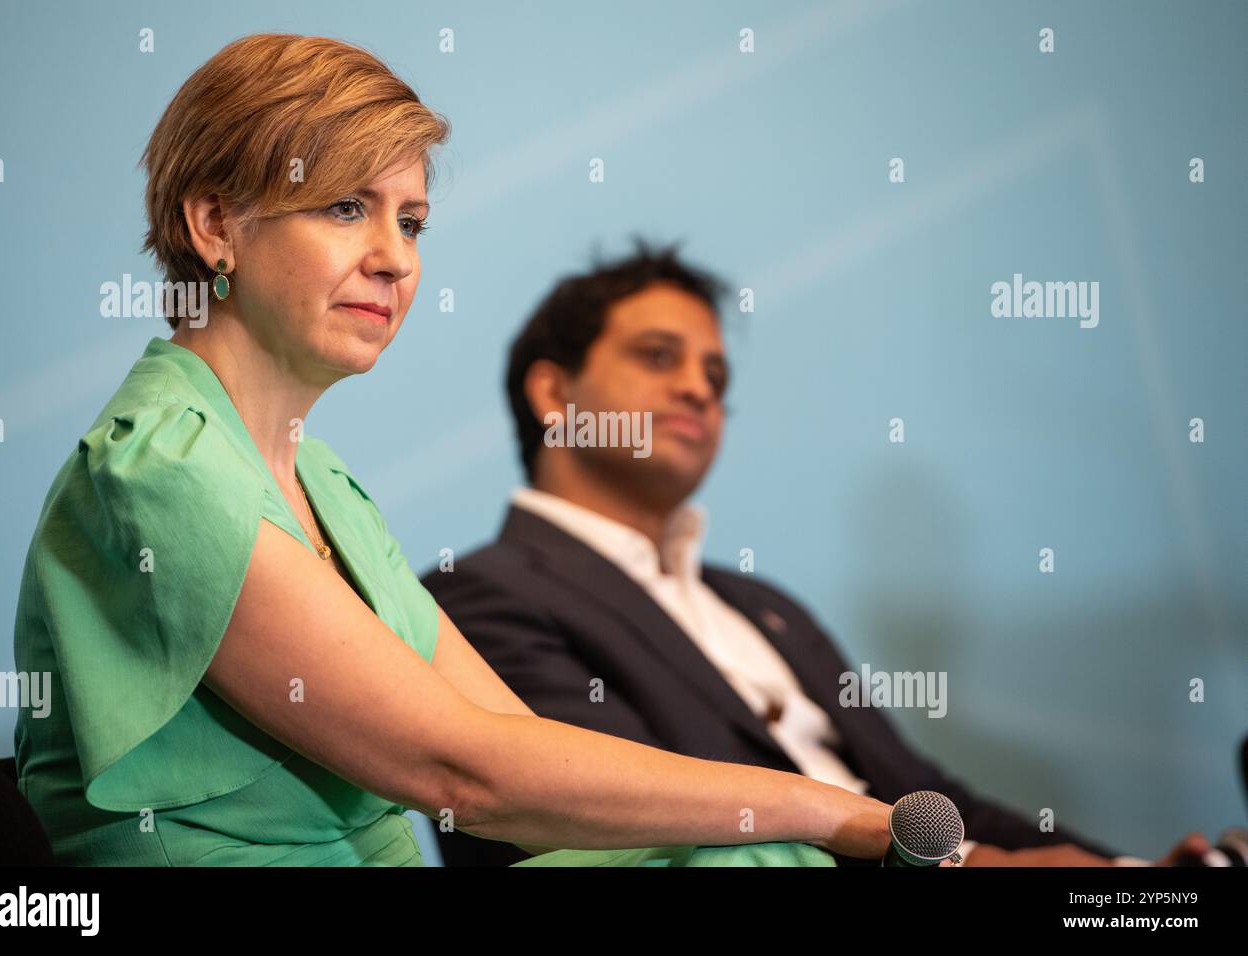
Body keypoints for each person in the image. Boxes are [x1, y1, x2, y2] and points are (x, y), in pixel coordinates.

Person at [11, 33, 895, 867]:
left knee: (754, 856)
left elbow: (518, 744)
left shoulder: (320, 477)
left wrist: (784, 829)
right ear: (215, 225)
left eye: (413, 222)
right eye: (346, 207)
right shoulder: (161, 469)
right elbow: (465, 776)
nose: (394, 258)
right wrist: (825, 806)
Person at [421, 239, 1212, 868]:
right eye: (659, 357)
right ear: (555, 396)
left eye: (715, 372)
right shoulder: (479, 599)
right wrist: (967, 867)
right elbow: (640, 828)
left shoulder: (764, 606)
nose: (700, 388)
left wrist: (1131, 880)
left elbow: (924, 791)